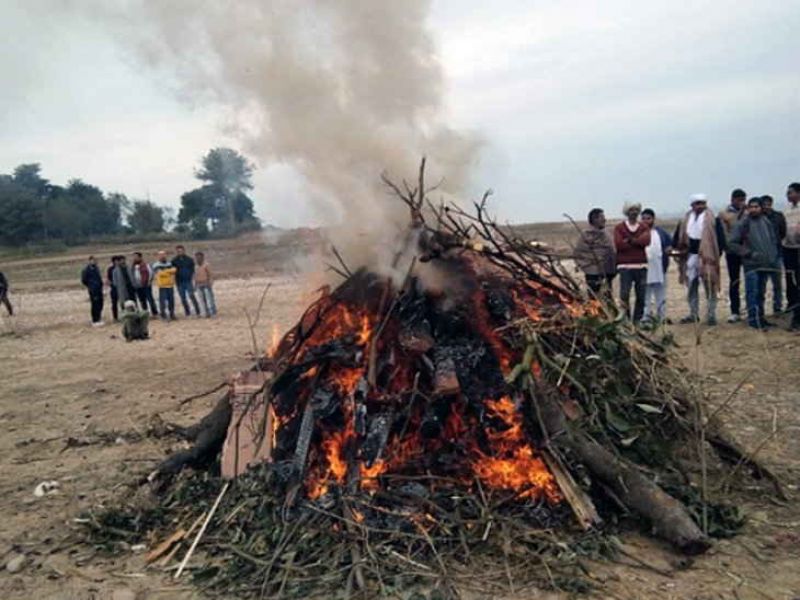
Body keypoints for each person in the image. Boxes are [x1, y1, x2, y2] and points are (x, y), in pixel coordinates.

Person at [727, 197, 779, 329]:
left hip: (766, 264)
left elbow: (773, 241)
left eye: (756, 207)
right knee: (752, 292)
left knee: (761, 293)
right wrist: (748, 253)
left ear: (761, 208)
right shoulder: (743, 224)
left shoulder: (766, 222)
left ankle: (761, 318)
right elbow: (732, 243)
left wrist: (772, 257)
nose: (754, 209)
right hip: (751, 265)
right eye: (751, 207)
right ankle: (753, 320)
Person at [674, 194, 723, 326]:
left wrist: (714, 255)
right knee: (691, 286)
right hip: (691, 256)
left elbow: (720, 239)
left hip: (707, 257)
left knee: (710, 286)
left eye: (703, 203)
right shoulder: (685, 219)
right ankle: (693, 313)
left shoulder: (712, 219)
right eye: (698, 203)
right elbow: (678, 237)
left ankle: (711, 314)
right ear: (692, 205)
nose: (700, 206)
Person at [613, 202, 650, 323]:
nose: (634, 212)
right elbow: (619, 245)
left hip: (641, 266)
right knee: (624, 294)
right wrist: (637, 241)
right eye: (631, 210)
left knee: (641, 295)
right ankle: (626, 319)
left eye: (636, 210)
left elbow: (646, 241)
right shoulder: (619, 227)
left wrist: (629, 240)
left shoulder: (644, 227)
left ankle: (637, 321)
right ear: (627, 212)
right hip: (625, 266)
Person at [717, 189, 747, 322]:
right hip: (732, 252)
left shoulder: (748, 212)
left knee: (751, 280)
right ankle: (735, 311)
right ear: (732, 199)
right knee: (734, 281)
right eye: (739, 200)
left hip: (746, 251)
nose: (741, 202)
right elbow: (729, 227)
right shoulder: (725, 213)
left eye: (743, 200)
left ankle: (752, 309)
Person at [573, 208, 616, 299]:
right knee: (594, 298)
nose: (605, 219)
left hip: (607, 271)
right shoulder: (586, 235)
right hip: (592, 272)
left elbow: (611, 251)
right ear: (594, 219)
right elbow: (580, 253)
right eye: (602, 217)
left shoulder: (606, 234)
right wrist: (589, 265)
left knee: (607, 297)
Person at [640, 209, 672, 324]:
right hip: (644, 269)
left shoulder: (661, 233)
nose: (645, 221)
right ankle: (646, 316)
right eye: (643, 218)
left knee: (660, 294)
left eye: (648, 218)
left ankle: (661, 316)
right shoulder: (638, 233)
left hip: (660, 268)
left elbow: (669, 246)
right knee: (645, 295)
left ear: (653, 219)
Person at [761, 195, 786, 315]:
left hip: (776, 253)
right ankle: (760, 309)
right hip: (762, 256)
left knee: (777, 283)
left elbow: (782, 233)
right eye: (764, 204)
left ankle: (777, 307)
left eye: (768, 204)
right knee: (761, 284)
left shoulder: (778, 216)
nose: (766, 207)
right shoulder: (757, 218)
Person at [784, 182, 800, 330]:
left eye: (790, 192)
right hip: (788, 249)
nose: (788, 195)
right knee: (790, 281)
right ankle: (792, 310)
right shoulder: (787, 209)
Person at [172, 245, 201, 317]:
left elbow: (193, 270)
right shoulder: (174, 261)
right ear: (177, 252)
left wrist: (193, 279)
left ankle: (198, 311)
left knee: (192, 296)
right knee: (183, 298)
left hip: (188, 281)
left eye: (181, 251)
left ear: (184, 251)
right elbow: (172, 271)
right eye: (178, 251)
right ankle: (187, 312)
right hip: (179, 282)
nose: (180, 252)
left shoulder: (189, 259)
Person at [130, 252, 158, 317]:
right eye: (134, 257)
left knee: (150, 299)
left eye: (136, 257)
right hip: (138, 286)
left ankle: (154, 313)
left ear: (140, 257)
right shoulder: (132, 267)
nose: (135, 258)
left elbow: (151, 273)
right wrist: (134, 284)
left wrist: (149, 281)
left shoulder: (146, 265)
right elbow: (132, 275)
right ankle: (145, 313)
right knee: (142, 300)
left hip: (146, 285)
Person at [152, 251, 178, 321]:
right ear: (158, 256)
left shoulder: (169, 263)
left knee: (171, 301)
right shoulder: (156, 265)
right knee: (162, 302)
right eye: (161, 255)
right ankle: (163, 315)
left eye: (164, 255)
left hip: (170, 285)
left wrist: (165, 272)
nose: (163, 256)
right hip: (162, 286)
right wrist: (168, 271)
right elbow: (160, 273)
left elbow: (174, 270)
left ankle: (172, 314)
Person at [80, 256, 104, 326]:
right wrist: (91, 286)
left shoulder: (96, 268)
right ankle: (95, 320)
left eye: (95, 260)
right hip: (93, 290)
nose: (94, 262)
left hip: (99, 289)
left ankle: (99, 317)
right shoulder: (86, 270)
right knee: (95, 304)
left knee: (100, 303)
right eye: (93, 260)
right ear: (89, 261)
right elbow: (84, 280)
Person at [194, 251, 217, 317]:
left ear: (202, 257)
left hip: (206, 283)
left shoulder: (206, 265)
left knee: (209, 299)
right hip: (199, 284)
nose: (198, 259)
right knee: (202, 299)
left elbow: (210, 274)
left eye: (199, 257)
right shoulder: (195, 266)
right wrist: (195, 284)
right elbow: (195, 276)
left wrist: (210, 282)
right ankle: (205, 312)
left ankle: (212, 312)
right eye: (197, 257)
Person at [107, 256, 120, 322]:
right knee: (114, 303)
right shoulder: (110, 269)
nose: (118, 262)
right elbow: (109, 279)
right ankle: (115, 317)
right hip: (114, 288)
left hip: (121, 288)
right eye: (117, 261)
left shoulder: (121, 267)